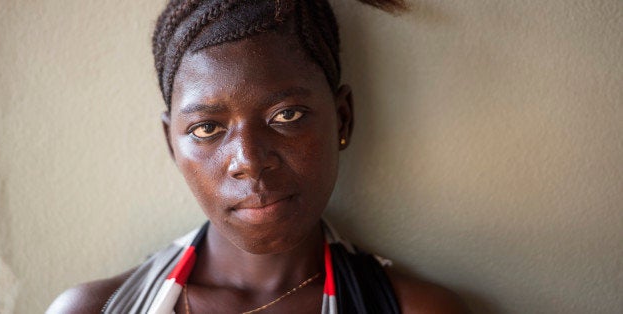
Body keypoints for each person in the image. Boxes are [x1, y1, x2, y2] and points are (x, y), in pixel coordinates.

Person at [48, 0, 469, 313]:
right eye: (207, 128)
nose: (248, 160)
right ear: (171, 143)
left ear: (343, 120)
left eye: (286, 115)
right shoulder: (92, 309)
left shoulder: (419, 309)